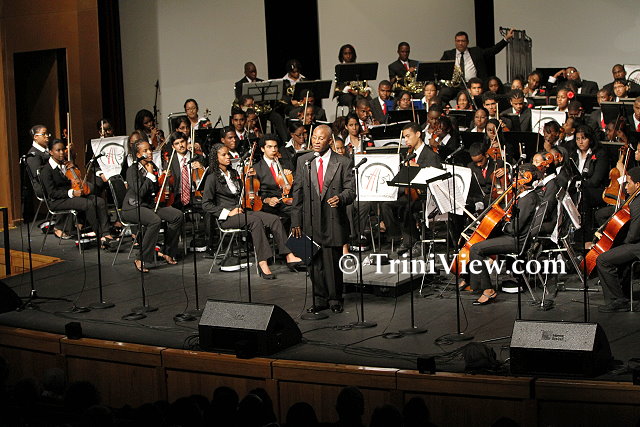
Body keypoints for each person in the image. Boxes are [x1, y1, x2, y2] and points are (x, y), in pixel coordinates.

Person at [203, 143, 302, 279]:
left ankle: (289, 255)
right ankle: (263, 263)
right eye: (224, 155)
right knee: (255, 221)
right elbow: (206, 204)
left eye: (228, 154)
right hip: (227, 217)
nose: (228, 157)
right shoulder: (212, 178)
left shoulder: (233, 174)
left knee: (273, 219)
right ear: (215, 158)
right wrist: (228, 212)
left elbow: (244, 192)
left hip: (242, 211)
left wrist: (249, 178)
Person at [291, 125, 355, 313]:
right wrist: (296, 220)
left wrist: (341, 198)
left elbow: (351, 191)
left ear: (329, 140)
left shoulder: (342, 162)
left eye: (321, 138)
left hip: (332, 217)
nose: (316, 141)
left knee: (332, 261)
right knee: (313, 262)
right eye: (314, 137)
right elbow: (297, 192)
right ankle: (319, 299)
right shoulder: (303, 161)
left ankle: (335, 299)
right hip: (309, 218)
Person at [467, 163, 541, 305]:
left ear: (526, 178)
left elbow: (515, 228)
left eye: (517, 176)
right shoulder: (526, 196)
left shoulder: (528, 199)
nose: (513, 179)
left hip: (517, 241)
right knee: (481, 241)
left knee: (475, 249)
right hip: (515, 238)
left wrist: (503, 224)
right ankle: (473, 281)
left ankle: (488, 290)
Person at [39, 139, 118, 249]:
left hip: (70, 197)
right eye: (58, 150)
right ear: (51, 152)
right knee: (87, 204)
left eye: (63, 149)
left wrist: (74, 167)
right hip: (57, 201)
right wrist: (72, 192)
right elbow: (52, 193)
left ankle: (106, 233)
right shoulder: (46, 170)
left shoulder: (65, 165)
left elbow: (75, 179)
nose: (61, 153)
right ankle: (100, 236)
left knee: (99, 201)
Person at [380, 122, 443, 256]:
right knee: (386, 204)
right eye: (404, 137)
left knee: (407, 207)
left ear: (418, 134)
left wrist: (418, 168)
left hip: (427, 197)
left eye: (408, 136)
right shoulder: (409, 154)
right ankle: (402, 238)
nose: (406, 140)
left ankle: (415, 241)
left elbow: (436, 179)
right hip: (411, 194)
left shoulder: (431, 155)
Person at [121, 140, 183, 272]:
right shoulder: (132, 170)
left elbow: (154, 190)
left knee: (177, 215)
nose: (150, 152)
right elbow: (140, 192)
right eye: (145, 151)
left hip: (148, 206)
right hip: (133, 207)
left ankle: (168, 252)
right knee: (155, 221)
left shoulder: (151, 166)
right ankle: (141, 258)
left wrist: (162, 178)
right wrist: (149, 176)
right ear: (138, 155)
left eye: (150, 149)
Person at [596, 166, 640, 312]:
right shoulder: (635, 200)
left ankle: (618, 300)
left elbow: (633, 235)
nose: (625, 187)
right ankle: (623, 294)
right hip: (635, 244)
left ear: (637, 185)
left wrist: (618, 242)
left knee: (603, 260)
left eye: (628, 183)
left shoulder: (637, 204)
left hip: (637, 246)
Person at [439, 29, 514, 102]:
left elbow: (492, 51)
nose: (460, 43)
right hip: (454, 86)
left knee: (476, 95)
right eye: (458, 41)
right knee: (443, 92)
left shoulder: (476, 52)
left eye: (463, 41)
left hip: (473, 85)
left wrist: (505, 39)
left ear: (467, 42)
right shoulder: (448, 54)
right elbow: (439, 68)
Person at [246, 135, 294, 223]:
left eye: (275, 147)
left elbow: (294, 185)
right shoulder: (256, 168)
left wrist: (290, 176)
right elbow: (256, 194)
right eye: (269, 147)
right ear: (262, 149)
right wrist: (268, 200)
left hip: (287, 201)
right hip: (269, 205)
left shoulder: (286, 164)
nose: (273, 150)